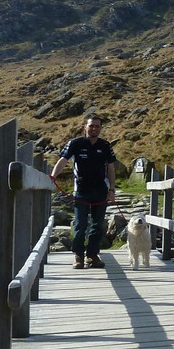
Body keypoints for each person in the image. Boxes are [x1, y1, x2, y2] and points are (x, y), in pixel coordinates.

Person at [50, 114, 117, 269]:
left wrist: (112, 189)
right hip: (81, 191)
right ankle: (78, 255)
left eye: (97, 126)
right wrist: (53, 176)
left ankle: (92, 255)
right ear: (85, 127)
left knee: (97, 225)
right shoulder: (76, 143)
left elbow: (111, 167)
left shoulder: (105, 146)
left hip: (100, 191)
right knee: (80, 225)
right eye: (91, 125)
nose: (94, 128)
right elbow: (63, 161)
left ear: (100, 128)